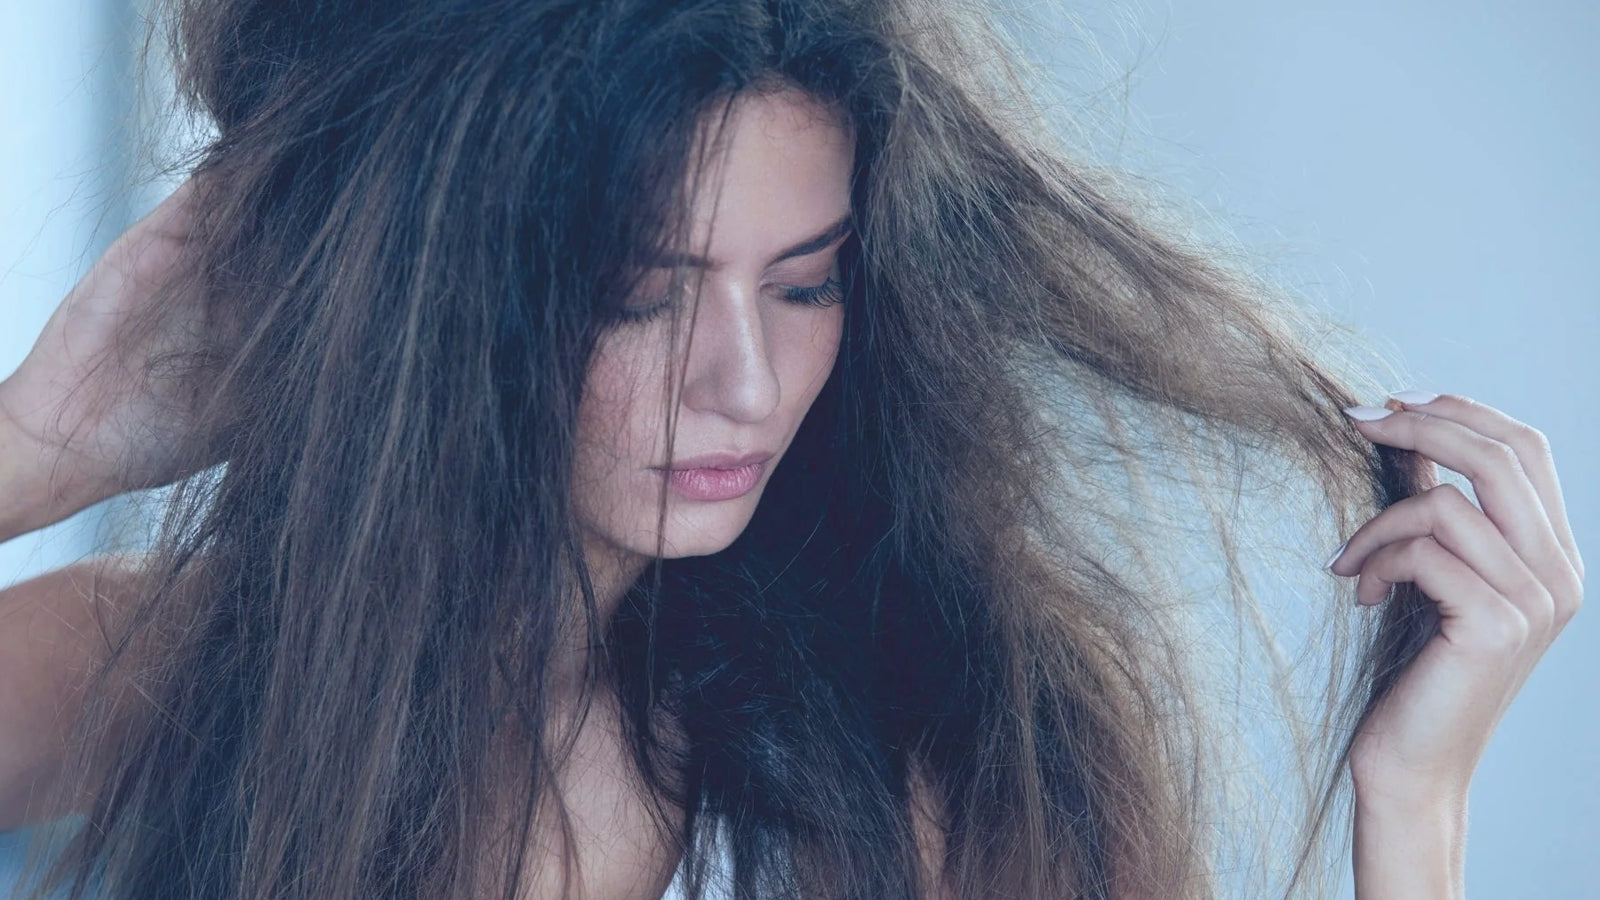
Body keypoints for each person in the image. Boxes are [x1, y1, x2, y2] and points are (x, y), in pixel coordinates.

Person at [0, 0, 1583, 897]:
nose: (746, 385)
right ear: (435, 306)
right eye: (640, 294)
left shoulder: (942, 765)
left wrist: (1417, 804)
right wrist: (38, 444)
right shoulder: (170, 670)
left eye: (806, 280)